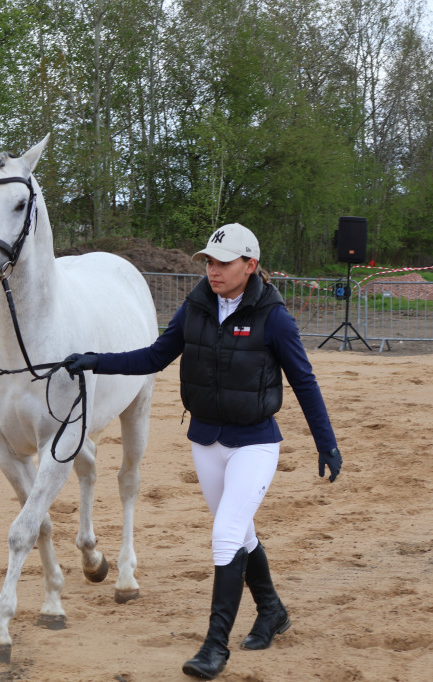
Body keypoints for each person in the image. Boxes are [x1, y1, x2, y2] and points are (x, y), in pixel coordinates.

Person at [63, 223, 341, 680]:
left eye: (223, 263)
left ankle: (215, 648)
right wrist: (97, 360)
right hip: (206, 442)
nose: (212, 271)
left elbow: (303, 381)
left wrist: (325, 442)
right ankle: (272, 611)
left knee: (225, 536)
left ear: (249, 266)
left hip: (254, 443)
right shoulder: (194, 307)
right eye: (208, 262)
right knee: (242, 535)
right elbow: (154, 357)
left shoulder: (275, 317)